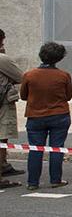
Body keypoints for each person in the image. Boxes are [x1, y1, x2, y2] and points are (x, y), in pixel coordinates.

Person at [21, 41, 72, 189]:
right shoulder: (64, 76)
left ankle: (32, 182)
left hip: (35, 116)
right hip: (59, 115)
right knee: (57, 148)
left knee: (35, 149)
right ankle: (55, 180)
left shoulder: (29, 75)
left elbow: (24, 96)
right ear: (59, 58)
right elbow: (68, 96)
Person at [0, 29, 25, 188]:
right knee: (2, 137)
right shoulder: (2, 59)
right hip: (2, 103)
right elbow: (20, 77)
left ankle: (4, 166)